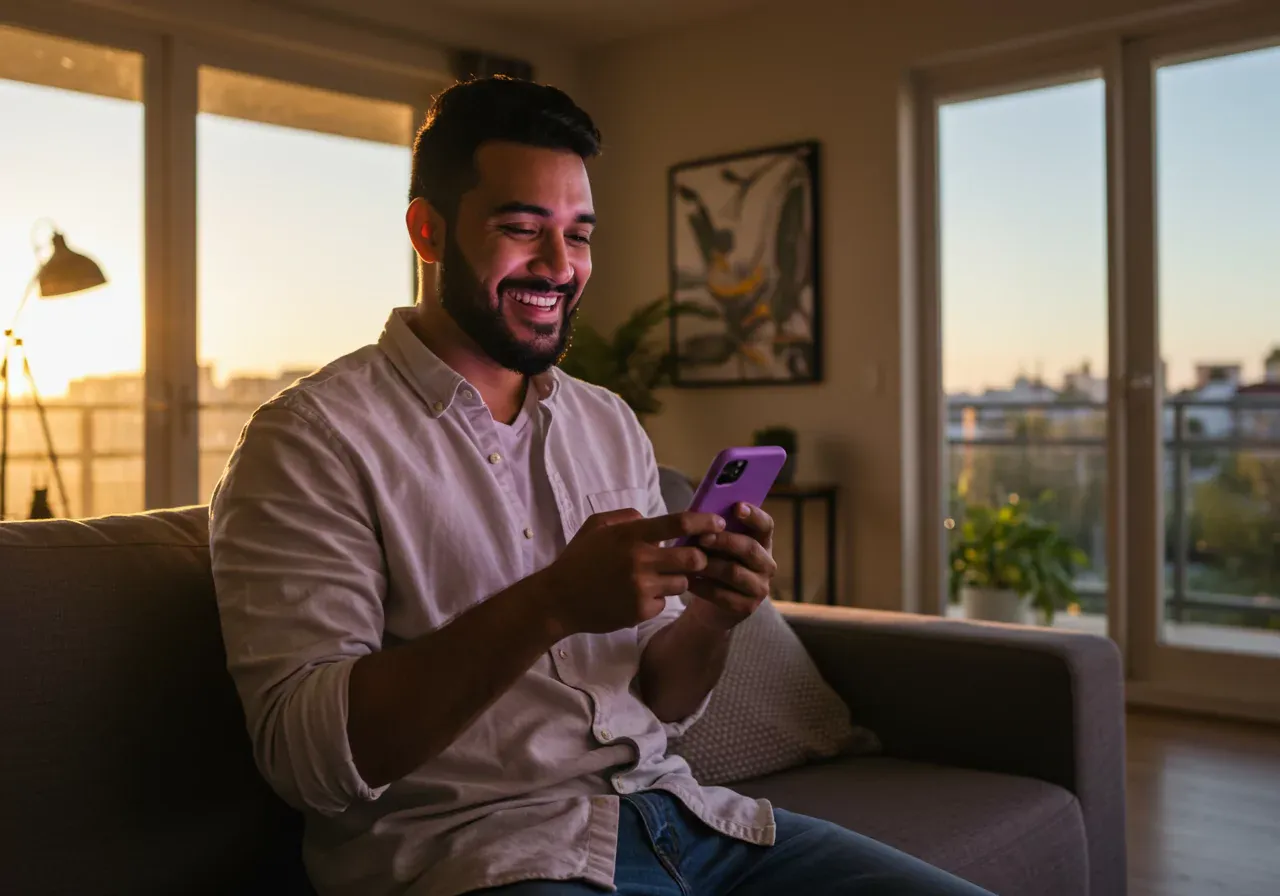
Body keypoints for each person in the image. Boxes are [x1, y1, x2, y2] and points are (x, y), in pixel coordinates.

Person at [209, 76, 994, 896]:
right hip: (484, 860)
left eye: (579, 235)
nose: (559, 266)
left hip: (687, 824)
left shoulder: (607, 423)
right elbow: (307, 761)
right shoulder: (310, 440)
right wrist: (548, 604)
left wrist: (717, 620)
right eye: (521, 228)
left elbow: (660, 697)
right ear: (427, 231)